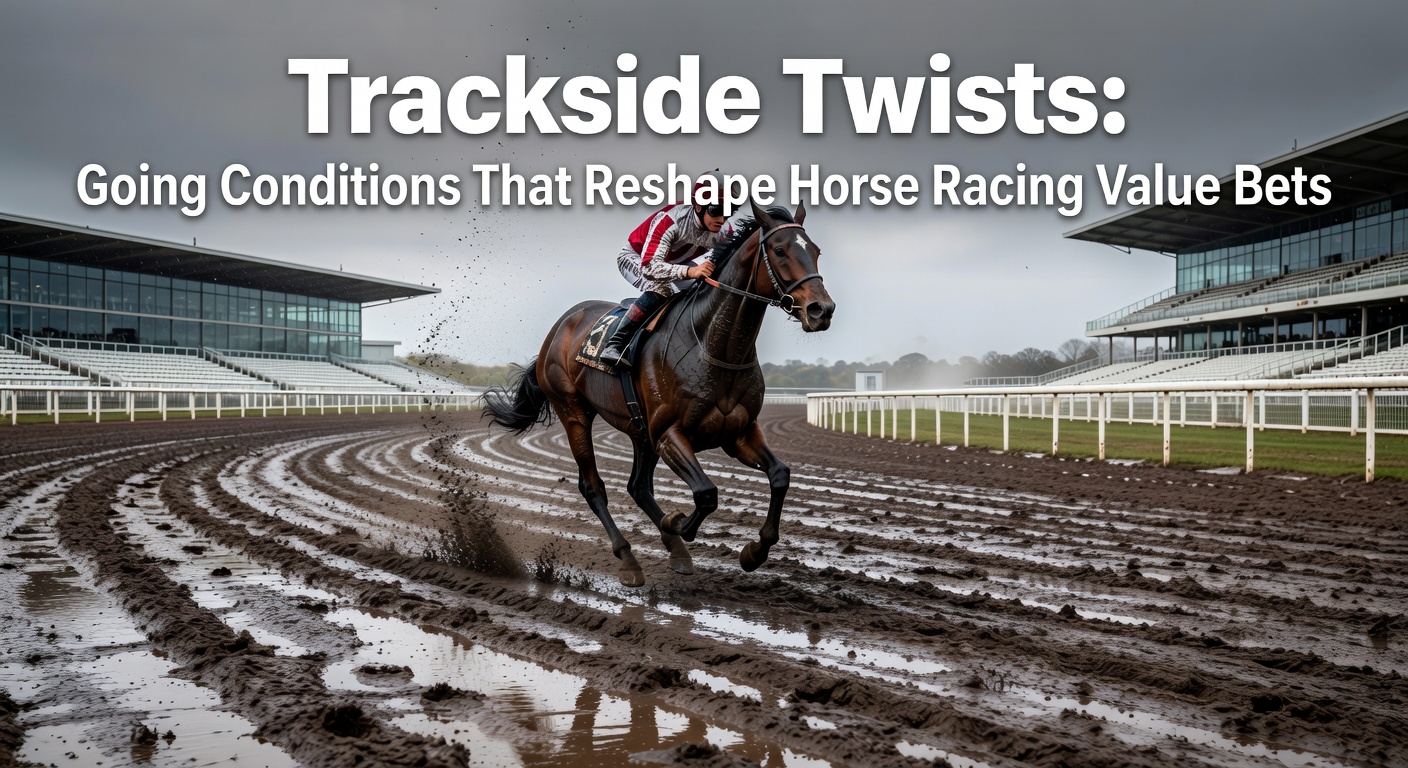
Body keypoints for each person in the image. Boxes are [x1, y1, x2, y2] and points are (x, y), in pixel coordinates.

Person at [599, 173, 733, 369]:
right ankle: (615, 344)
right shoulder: (671, 219)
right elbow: (649, 266)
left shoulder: (724, 232)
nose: (721, 219)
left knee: (705, 286)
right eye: (716, 211)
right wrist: (689, 272)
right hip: (637, 259)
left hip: (674, 263)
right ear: (698, 206)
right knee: (663, 289)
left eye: (728, 212)